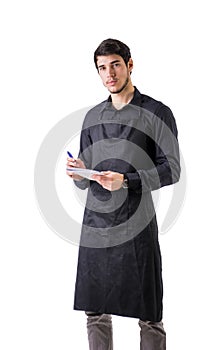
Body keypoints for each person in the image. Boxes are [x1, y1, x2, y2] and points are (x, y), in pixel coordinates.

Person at [66, 38, 180, 350]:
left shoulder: (157, 112)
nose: (109, 73)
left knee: (149, 313)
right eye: (102, 67)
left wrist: (127, 181)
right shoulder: (93, 117)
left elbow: (172, 169)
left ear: (130, 65)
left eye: (115, 64)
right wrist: (79, 174)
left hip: (136, 224)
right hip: (96, 224)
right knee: (95, 311)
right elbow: (85, 177)